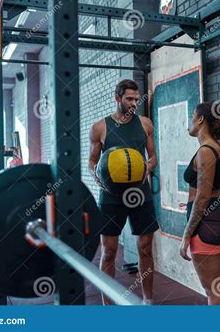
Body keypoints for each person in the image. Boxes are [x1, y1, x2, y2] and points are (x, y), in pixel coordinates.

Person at [88, 79, 159, 305]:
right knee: (108, 252)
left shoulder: (145, 124)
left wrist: (146, 167)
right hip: (111, 196)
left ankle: (148, 301)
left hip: (140, 193)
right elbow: (92, 161)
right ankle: (108, 306)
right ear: (117, 98)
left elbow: (153, 156)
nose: (134, 103)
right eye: (129, 99)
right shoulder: (100, 127)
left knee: (145, 248)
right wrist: (96, 176)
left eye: (137, 99)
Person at [180, 102, 220, 305]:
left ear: (200, 120)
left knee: (213, 290)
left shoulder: (206, 151)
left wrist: (186, 234)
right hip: (213, 219)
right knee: (217, 286)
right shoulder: (215, 149)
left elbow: (202, 197)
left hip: (206, 223)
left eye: (192, 117)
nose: (189, 123)